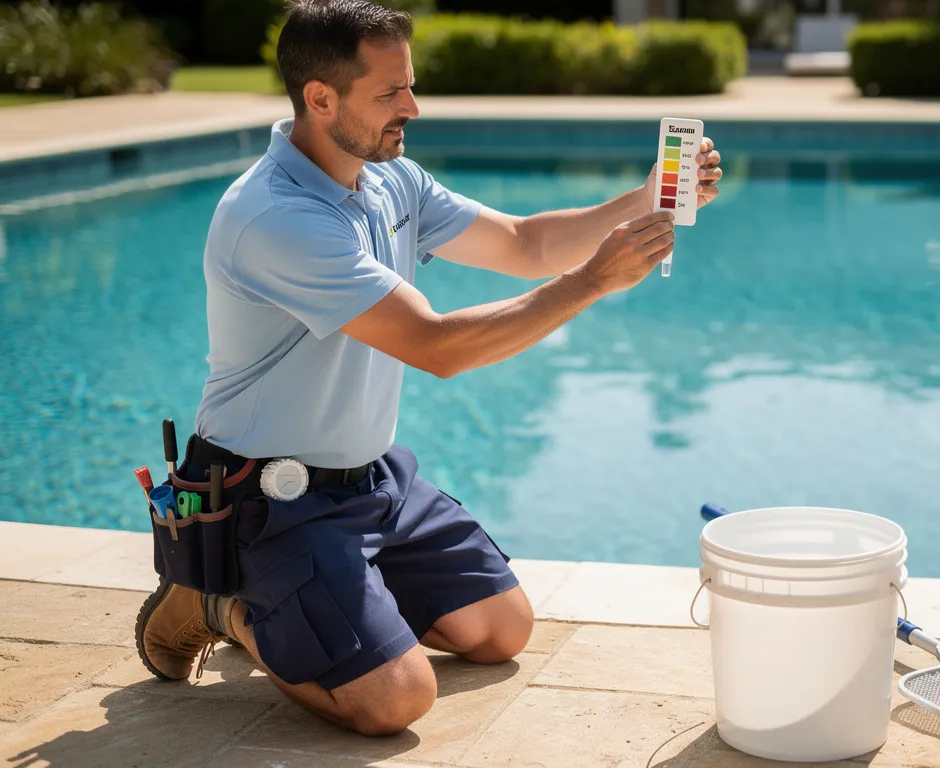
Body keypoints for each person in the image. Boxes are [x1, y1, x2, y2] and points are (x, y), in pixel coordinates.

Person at [134, 0, 722, 736]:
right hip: (269, 494)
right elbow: (437, 346)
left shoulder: (390, 180)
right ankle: (221, 600)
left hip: (371, 480)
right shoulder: (276, 217)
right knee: (395, 701)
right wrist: (595, 281)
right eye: (390, 92)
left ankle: (330, 599)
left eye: (409, 84)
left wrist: (648, 199)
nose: (412, 105)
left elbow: (525, 244)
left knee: (501, 631)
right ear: (321, 98)